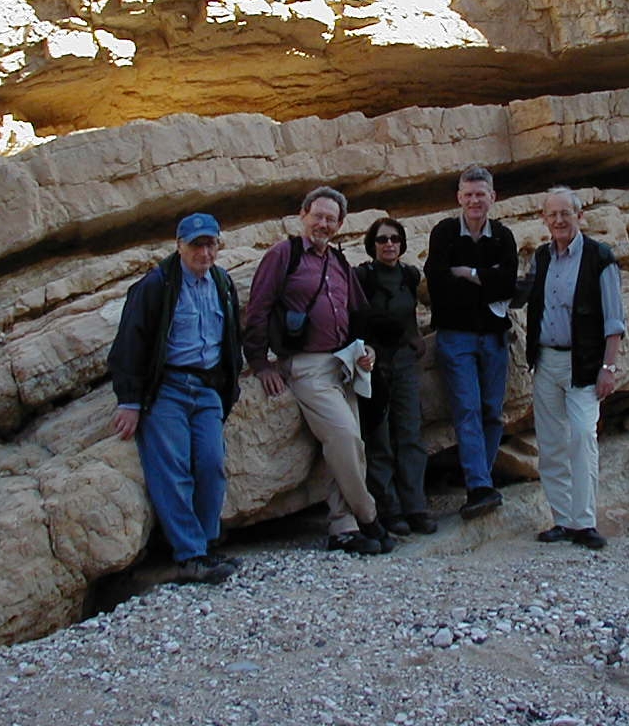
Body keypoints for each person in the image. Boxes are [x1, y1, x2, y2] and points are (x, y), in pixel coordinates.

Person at [242, 187, 393, 555]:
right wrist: (259, 363)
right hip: (307, 366)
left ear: (340, 225)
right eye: (318, 216)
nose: (323, 224)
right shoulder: (283, 255)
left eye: (331, 219)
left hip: (343, 363)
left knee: (350, 446)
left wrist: (368, 349)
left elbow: (358, 313)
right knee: (344, 437)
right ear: (303, 215)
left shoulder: (338, 262)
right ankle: (369, 515)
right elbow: (258, 309)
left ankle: (343, 528)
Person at [108, 213, 244, 584]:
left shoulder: (222, 283)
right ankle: (190, 555)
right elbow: (130, 342)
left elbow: (231, 337)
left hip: (207, 388)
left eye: (210, 244)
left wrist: (230, 387)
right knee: (172, 469)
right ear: (179, 245)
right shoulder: (157, 284)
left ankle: (206, 543)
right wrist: (130, 401)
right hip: (167, 387)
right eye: (197, 245)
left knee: (212, 464)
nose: (205, 252)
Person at [521, 187, 625, 550]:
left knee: (582, 437)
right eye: (552, 214)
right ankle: (562, 520)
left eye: (566, 213)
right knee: (551, 444)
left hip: (584, 363)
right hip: (546, 361)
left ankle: (585, 522)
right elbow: (526, 297)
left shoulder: (600, 257)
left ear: (580, 216)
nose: (559, 220)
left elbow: (614, 319)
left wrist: (608, 367)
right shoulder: (542, 257)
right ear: (544, 219)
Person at [424, 164, 517, 519]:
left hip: (494, 337)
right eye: (469, 195)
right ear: (459, 198)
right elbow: (438, 285)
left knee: (491, 411)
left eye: (481, 194)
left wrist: (468, 274)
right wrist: (487, 282)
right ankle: (478, 485)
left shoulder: (503, 237)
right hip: (456, 336)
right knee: (467, 409)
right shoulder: (445, 233)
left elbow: (509, 284)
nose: (475, 201)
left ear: (492, 197)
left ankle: (482, 481)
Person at [355, 218, 437, 536]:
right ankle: (388, 508)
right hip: (373, 362)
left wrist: (415, 338)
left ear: (402, 243)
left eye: (394, 239)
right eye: (382, 239)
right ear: (372, 245)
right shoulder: (363, 277)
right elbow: (356, 317)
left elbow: (409, 314)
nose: (389, 244)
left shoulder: (409, 275)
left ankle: (415, 506)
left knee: (409, 432)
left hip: (403, 361)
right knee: (379, 435)